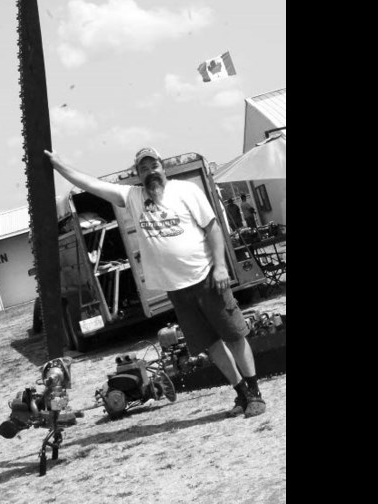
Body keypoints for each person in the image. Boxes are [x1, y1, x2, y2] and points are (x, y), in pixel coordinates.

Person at [45, 146, 266, 418]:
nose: (151, 172)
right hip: (177, 290)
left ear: (163, 166)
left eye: (154, 166)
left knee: (233, 335)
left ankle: (255, 393)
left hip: (207, 277)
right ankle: (241, 393)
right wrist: (59, 165)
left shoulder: (186, 191)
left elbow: (213, 228)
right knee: (210, 344)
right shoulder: (133, 196)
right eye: (144, 168)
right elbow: (91, 184)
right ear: (137, 174)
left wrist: (221, 267)